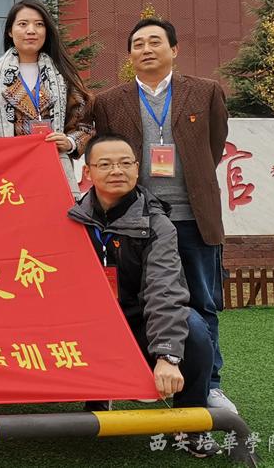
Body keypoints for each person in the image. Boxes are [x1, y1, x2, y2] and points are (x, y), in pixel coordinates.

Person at [89, 18, 234, 413]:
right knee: (135, 300)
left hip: (192, 216)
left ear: (174, 49)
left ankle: (210, 383)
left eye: (155, 41)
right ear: (129, 55)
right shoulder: (110, 100)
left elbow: (214, 145)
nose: (147, 49)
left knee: (201, 303)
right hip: (135, 220)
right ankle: (136, 374)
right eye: (138, 44)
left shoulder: (205, 92)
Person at [68, 135, 219, 458]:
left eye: (125, 163)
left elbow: (164, 289)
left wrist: (167, 356)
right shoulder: (70, 219)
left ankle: (191, 422)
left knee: (193, 328)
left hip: (139, 321)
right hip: (87, 324)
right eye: (105, 164)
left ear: (137, 169)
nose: (116, 171)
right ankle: (98, 396)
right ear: (88, 172)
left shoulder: (158, 225)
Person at [0, 0, 93, 196]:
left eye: (39, 24)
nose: (31, 30)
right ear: (10, 31)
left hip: (52, 167)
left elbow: (85, 125)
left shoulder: (64, 75)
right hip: (6, 170)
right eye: (23, 24)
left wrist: (70, 142)